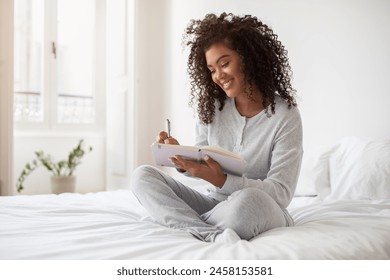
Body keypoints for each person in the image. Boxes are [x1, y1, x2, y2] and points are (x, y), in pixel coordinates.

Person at [131, 12, 303, 243]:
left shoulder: (285, 116)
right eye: (212, 69)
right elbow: (203, 161)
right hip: (215, 205)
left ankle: (185, 222)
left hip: (260, 207)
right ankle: (209, 233)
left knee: (248, 202)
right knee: (142, 176)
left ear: (248, 58)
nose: (218, 76)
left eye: (224, 64)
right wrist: (179, 156)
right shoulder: (212, 108)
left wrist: (223, 180)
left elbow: (281, 193)